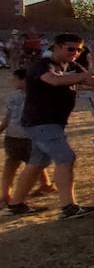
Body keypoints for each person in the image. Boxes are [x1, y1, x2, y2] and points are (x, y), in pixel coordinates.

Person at [7, 34, 94, 219]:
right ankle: (69, 207)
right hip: (41, 122)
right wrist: (93, 71)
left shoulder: (73, 67)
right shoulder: (43, 65)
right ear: (57, 47)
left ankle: (16, 204)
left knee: (37, 163)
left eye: (78, 50)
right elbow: (55, 80)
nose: (75, 53)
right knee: (66, 158)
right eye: (70, 49)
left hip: (50, 123)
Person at [2, 69, 55, 205]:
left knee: (25, 164)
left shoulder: (38, 95)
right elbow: (8, 118)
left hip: (25, 135)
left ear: (24, 80)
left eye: (15, 79)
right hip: (18, 135)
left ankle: (8, 195)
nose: (13, 82)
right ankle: (45, 184)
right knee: (31, 163)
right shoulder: (16, 96)